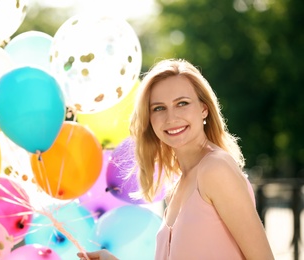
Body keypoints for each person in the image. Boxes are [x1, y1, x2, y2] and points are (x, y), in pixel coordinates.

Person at [77, 58, 274, 259]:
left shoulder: (215, 169)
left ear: (204, 109)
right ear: (149, 119)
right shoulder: (177, 186)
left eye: (182, 103)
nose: (171, 118)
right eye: (159, 108)